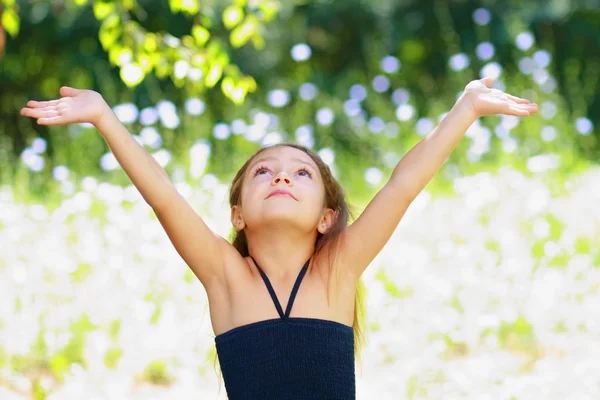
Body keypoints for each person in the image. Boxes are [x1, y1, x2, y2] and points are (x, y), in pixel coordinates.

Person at [20, 78, 538, 399]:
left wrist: (465, 108)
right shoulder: (226, 276)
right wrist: (104, 118)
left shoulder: (338, 271)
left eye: (302, 173)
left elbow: (403, 185)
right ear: (238, 213)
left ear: (326, 217)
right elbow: (163, 196)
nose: (283, 177)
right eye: (264, 171)